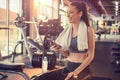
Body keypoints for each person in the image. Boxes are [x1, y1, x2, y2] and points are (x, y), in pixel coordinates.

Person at [35, 1, 95, 80]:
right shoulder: (68, 31)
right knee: (41, 78)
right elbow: (67, 54)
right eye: (67, 13)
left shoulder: (88, 30)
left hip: (82, 69)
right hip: (69, 66)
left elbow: (90, 56)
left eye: (71, 12)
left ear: (80, 14)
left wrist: (75, 72)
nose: (67, 16)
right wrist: (59, 50)